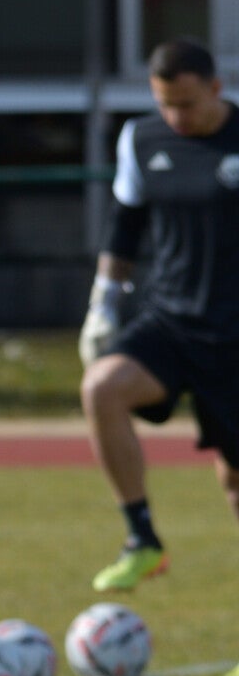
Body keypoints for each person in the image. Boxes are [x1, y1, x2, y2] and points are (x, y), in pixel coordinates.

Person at [79, 38, 239, 615]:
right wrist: (103, 303)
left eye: (187, 104)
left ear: (216, 88)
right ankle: (142, 538)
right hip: (171, 321)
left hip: (236, 336)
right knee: (102, 388)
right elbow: (125, 227)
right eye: (165, 104)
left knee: (235, 484)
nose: (176, 117)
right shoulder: (141, 140)